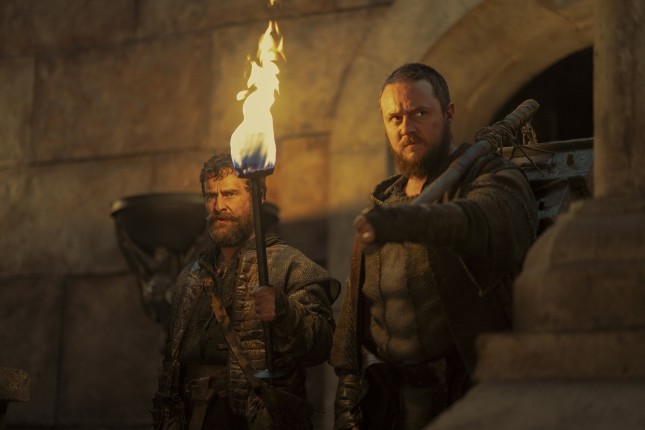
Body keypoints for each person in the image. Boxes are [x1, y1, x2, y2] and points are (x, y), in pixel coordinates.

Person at [329, 63, 538, 430]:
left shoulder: (489, 178)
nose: (407, 128)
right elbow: (358, 311)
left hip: (464, 389)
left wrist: (415, 221)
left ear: (448, 112)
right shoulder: (382, 202)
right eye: (395, 118)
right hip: (390, 401)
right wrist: (348, 389)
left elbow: (485, 219)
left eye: (420, 114)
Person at [152, 153, 340, 430]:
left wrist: (285, 313)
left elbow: (322, 345)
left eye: (229, 194)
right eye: (210, 196)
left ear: (258, 198)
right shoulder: (189, 276)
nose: (218, 206)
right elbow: (171, 366)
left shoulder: (289, 264)